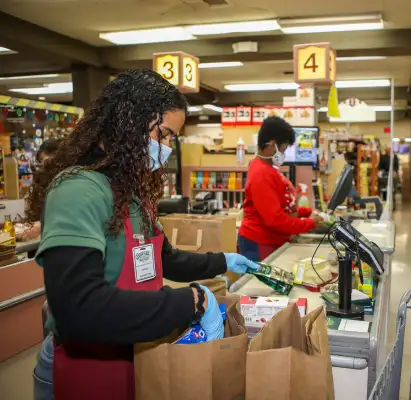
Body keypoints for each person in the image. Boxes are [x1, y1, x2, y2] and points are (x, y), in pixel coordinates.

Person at [28, 69, 258, 400]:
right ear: (128, 122)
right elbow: (78, 307)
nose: (165, 148)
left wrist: (223, 261)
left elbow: (164, 260)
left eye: (170, 140)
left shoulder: (131, 194)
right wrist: (188, 303)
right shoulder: (78, 191)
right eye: (162, 135)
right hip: (85, 365)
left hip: (133, 351)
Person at [238, 116, 322, 261]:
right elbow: (275, 219)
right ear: (271, 145)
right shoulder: (261, 173)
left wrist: (306, 212)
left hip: (270, 241)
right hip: (260, 242)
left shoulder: (269, 169)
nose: (284, 154)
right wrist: (309, 223)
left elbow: (282, 205)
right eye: (283, 149)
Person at [19, 138, 63, 241]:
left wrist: (42, 224)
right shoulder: (44, 180)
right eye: (43, 162)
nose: (47, 166)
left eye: (50, 161)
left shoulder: (74, 180)